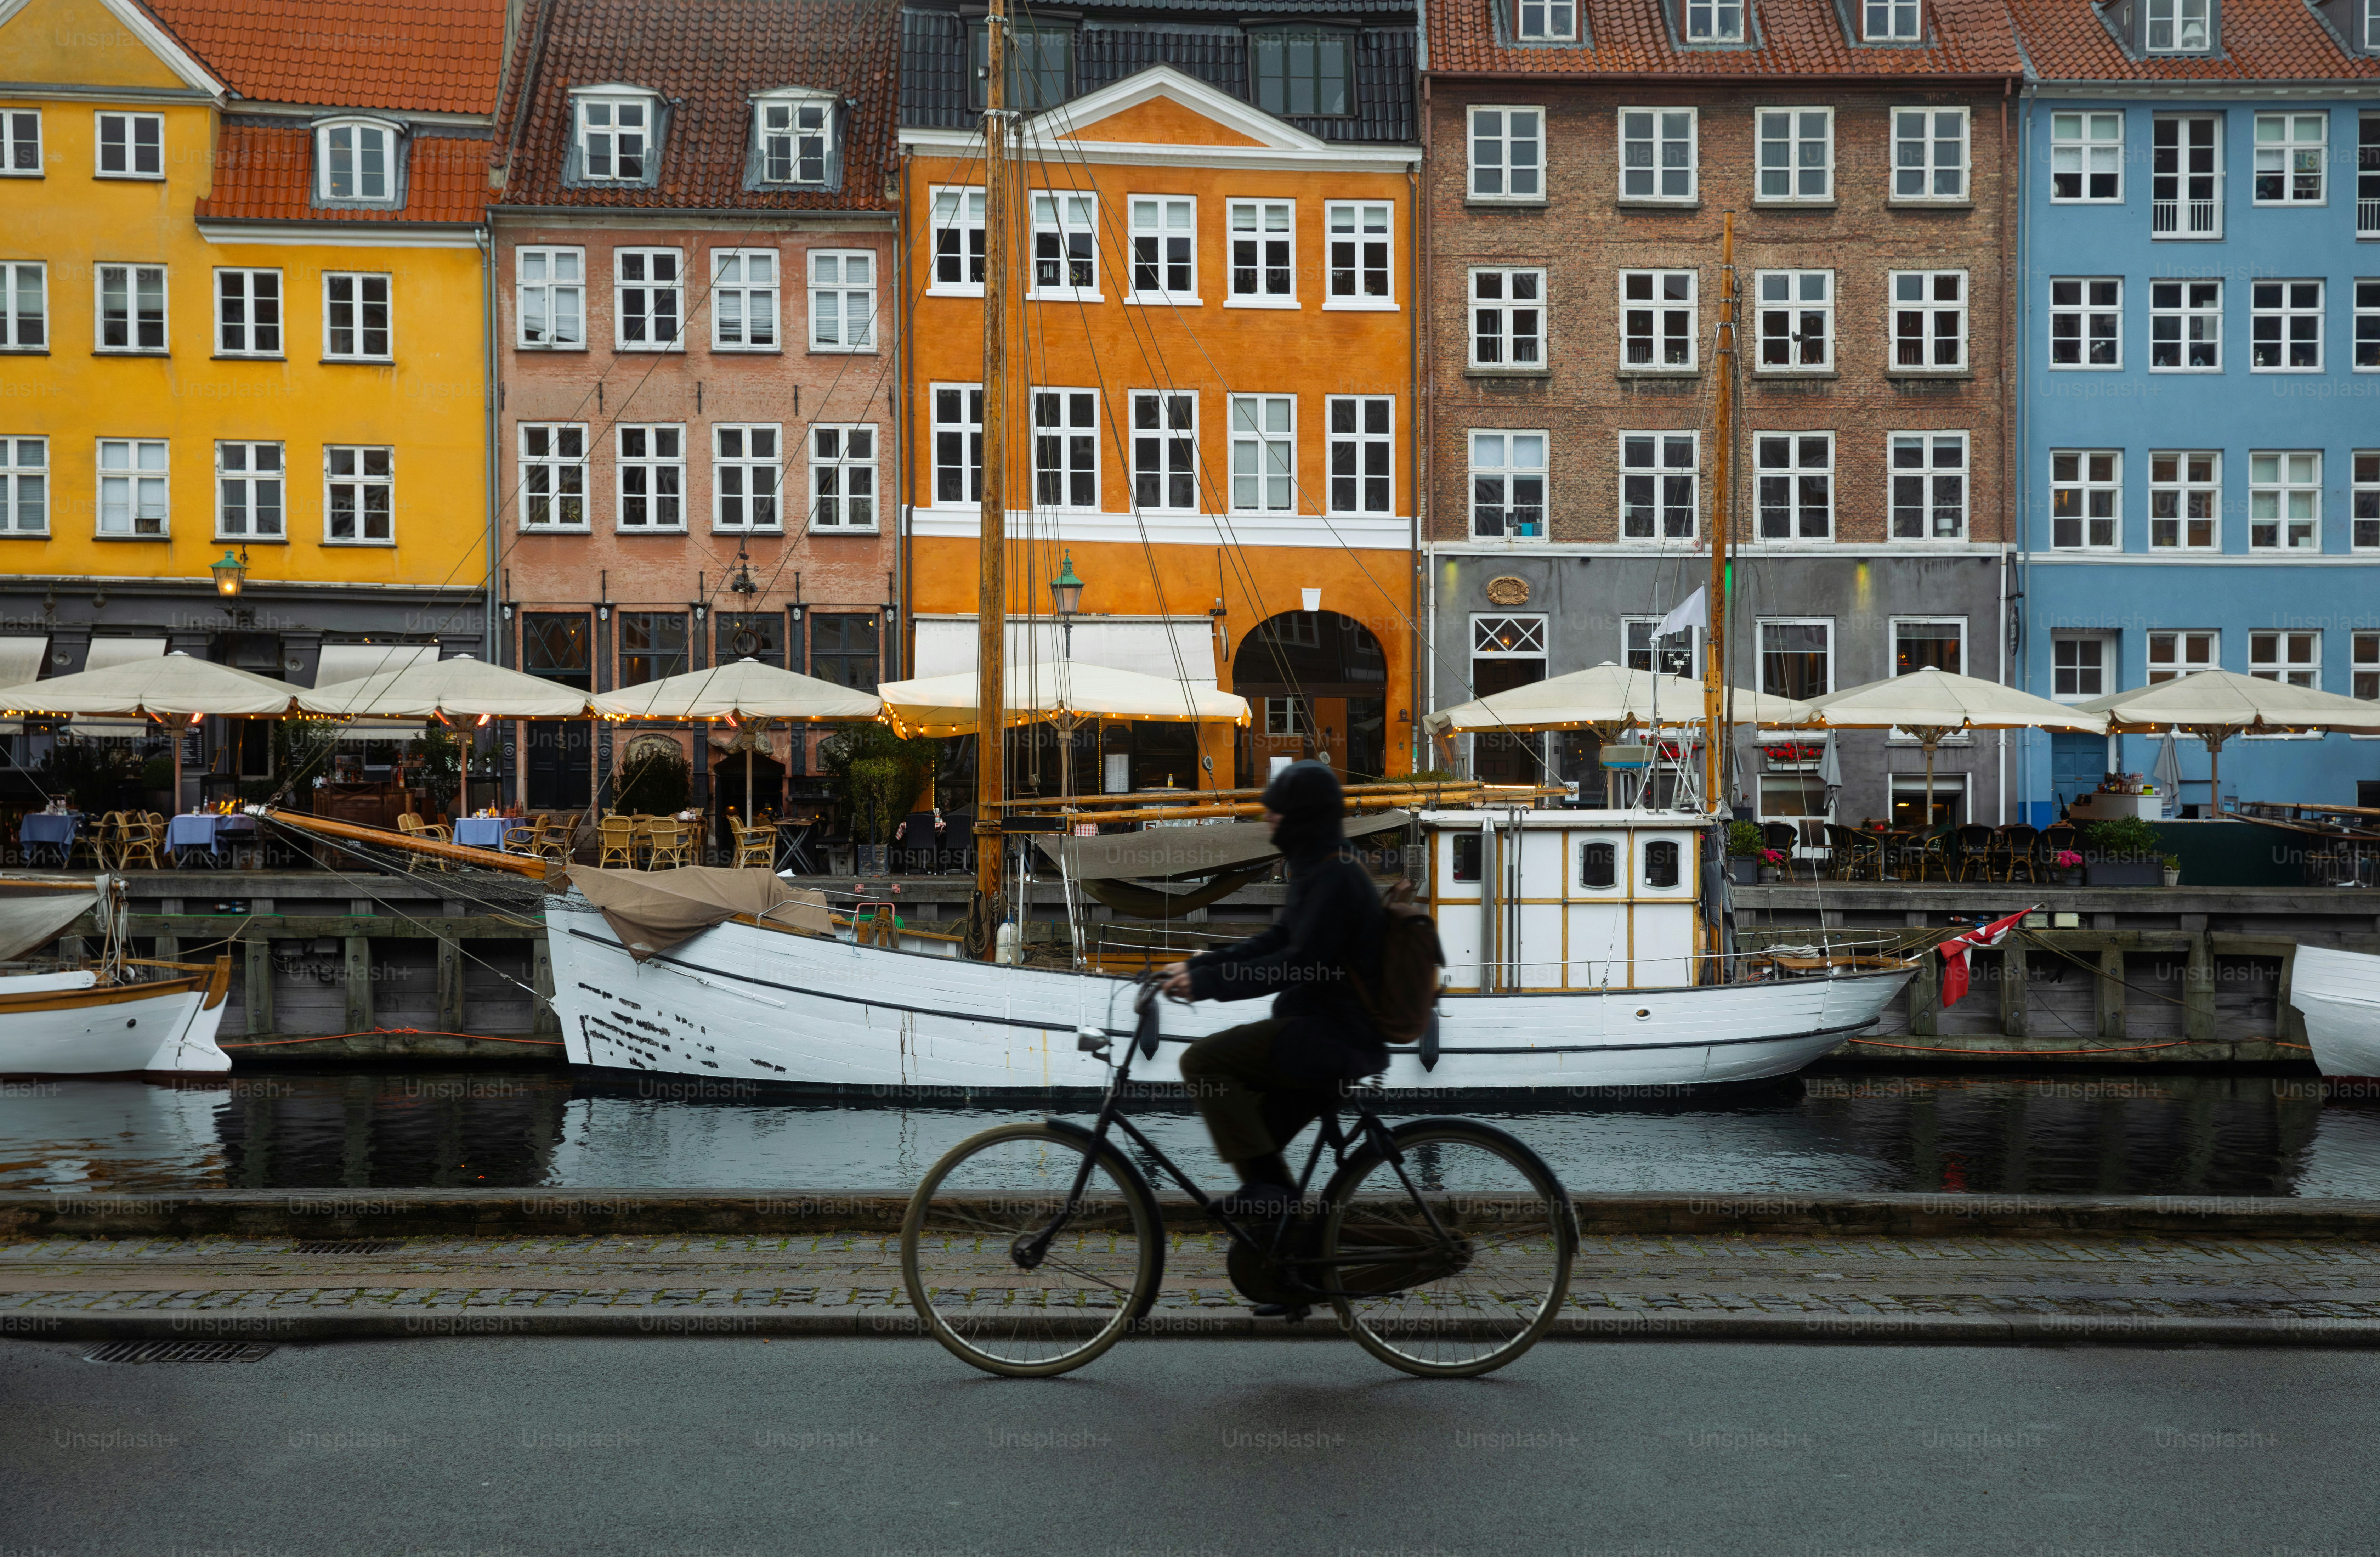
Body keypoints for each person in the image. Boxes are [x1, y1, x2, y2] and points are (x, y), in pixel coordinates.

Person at [1159, 761, 1386, 1213]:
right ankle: (1286, 1236)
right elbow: (1279, 940)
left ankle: (1274, 1198)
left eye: (1277, 811)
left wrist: (1206, 983)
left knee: (1203, 1061)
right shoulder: (1322, 867)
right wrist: (1201, 964)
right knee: (1256, 1136)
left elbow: (1296, 964)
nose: (1267, 820)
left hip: (1331, 1037)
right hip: (1328, 1035)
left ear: (1301, 816)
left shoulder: (1335, 876)